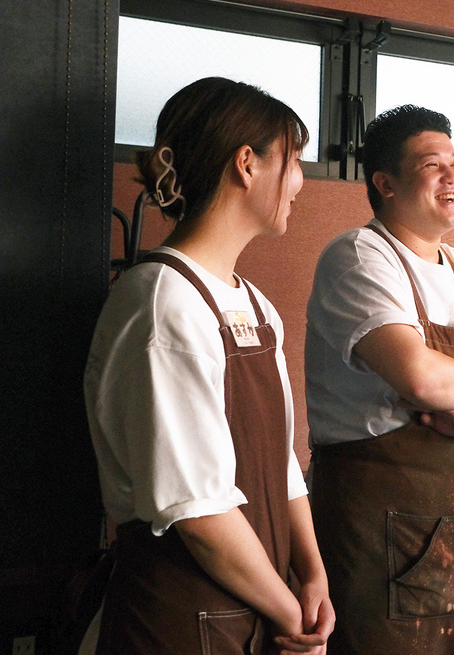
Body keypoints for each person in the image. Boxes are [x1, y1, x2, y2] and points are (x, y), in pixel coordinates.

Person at [83, 77, 333, 654]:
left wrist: (313, 573)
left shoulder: (254, 303)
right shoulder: (161, 302)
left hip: (256, 606)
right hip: (178, 619)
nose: (300, 183)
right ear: (247, 164)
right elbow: (198, 512)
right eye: (293, 162)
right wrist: (291, 613)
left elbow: (282, 464)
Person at [305, 105, 454, 654]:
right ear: (384, 183)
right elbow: (422, 379)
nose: (452, 176)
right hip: (377, 539)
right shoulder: (358, 256)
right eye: (433, 164)